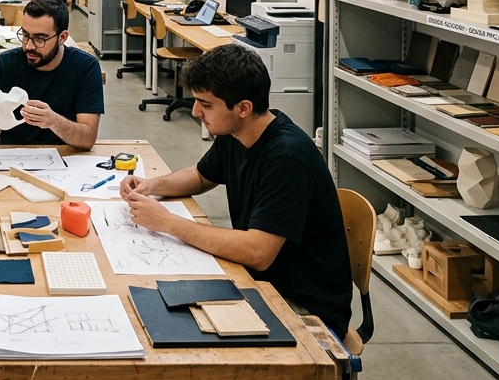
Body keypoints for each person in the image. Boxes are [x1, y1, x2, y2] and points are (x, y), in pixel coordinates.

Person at [119, 44, 352, 341]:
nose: (195, 111)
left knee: (166, 328)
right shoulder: (238, 132)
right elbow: (201, 175)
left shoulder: (287, 157)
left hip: (303, 306)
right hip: (260, 280)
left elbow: (258, 252)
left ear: (243, 108)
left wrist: (167, 222)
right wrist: (150, 186)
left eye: (205, 104)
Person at [0, 0, 101, 150]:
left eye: (40, 39)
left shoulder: (85, 67)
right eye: (25, 35)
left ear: (62, 37)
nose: (29, 46)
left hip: (67, 156)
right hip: (13, 154)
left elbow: (87, 139)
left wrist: (54, 121)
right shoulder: (6, 63)